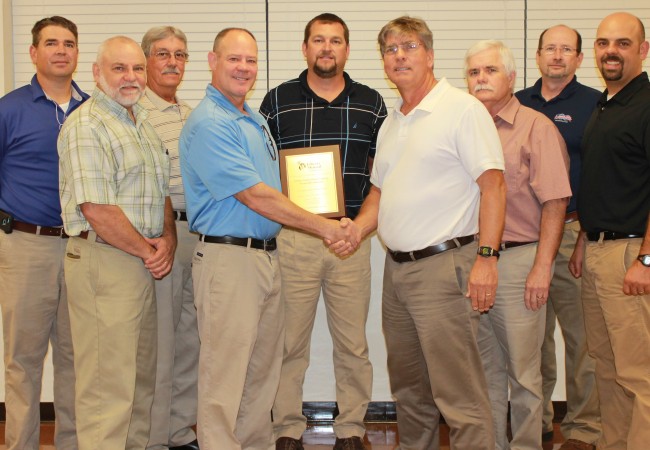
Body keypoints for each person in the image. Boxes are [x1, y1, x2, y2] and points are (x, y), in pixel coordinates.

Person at [179, 27, 360, 450]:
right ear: (212, 61)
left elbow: (280, 185)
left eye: (250, 61)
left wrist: (335, 210)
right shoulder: (210, 122)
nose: (243, 68)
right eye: (234, 59)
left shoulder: (254, 119)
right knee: (224, 377)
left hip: (264, 258)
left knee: (261, 374)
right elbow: (257, 196)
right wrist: (328, 227)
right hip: (229, 260)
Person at [343, 16, 506, 450]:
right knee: (410, 392)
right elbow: (379, 192)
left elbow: (494, 186)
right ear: (383, 63)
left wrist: (487, 259)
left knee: (459, 394)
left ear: (430, 55)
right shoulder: (393, 121)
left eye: (409, 46)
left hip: (444, 267)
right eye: (391, 49)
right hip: (396, 274)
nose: (399, 55)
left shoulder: (462, 109)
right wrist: (355, 231)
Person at [259, 13, 386, 450]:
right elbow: (262, 170)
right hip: (295, 238)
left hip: (352, 237)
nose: (326, 48)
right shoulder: (277, 101)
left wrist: (359, 226)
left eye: (335, 41)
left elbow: (381, 176)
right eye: (318, 40)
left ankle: (351, 426)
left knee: (353, 344)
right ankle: (286, 427)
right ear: (305, 48)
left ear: (347, 50)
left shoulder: (371, 103)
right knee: (288, 341)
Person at [58, 35, 175, 450]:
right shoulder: (87, 124)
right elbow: (97, 209)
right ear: (96, 73)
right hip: (104, 261)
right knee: (108, 391)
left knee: (139, 382)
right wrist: (149, 251)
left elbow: (158, 191)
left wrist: (167, 241)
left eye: (137, 68)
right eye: (119, 68)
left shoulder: (139, 120)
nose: (131, 77)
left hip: (139, 262)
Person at [465, 40, 571, 450]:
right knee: (483, 371)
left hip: (519, 260)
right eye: (474, 72)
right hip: (472, 260)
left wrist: (542, 268)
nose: (481, 79)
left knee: (524, 375)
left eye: (490, 71)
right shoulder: (465, 126)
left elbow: (556, 202)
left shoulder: (535, 126)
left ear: (511, 77)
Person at [0, 15, 88, 450]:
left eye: (68, 43)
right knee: (23, 360)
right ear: (34, 52)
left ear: (77, 53)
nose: (60, 50)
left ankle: (71, 444)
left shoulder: (93, 111)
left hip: (80, 248)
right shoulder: (9, 109)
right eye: (51, 43)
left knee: (77, 359)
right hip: (25, 246)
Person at [515, 25, 601, 450]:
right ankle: (541, 422)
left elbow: (602, 174)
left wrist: (585, 234)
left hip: (570, 234)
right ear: (537, 55)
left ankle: (585, 429)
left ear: (579, 59)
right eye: (550, 48)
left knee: (581, 340)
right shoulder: (516, 103)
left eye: (566, 49)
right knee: (533, 339)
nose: (557, 55)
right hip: (524, 240)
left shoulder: (594, 104)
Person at [573, 12, 650, 450]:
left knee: (639, 372)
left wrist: (647, 259)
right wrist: (585, 238)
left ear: (643, 50)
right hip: (600, 251)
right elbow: (608, 179)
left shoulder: (646, 104)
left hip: (632, 256)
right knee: (607, 366)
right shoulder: (605, 105)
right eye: (603, 43)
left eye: (623, 43)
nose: (610, 52)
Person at [140, 26, 199, 450]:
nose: (172, 62)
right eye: (163, 54)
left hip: (198, 235)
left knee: (190, 342)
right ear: (147, 60)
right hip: (161, 237)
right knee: (159, 346)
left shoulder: (192, 114)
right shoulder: (134, 112)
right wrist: (164, 233)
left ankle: (179, 434)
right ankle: (154, 439)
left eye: (180, 55)